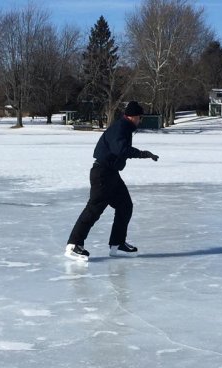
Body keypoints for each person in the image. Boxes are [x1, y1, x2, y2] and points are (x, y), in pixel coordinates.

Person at [65, 101, 159, 261]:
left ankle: (117, 244)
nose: (140, 121)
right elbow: (120, 149)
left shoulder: (125, 127)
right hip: (102, 173)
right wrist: (143, 154)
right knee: (94, 209)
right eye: (140, 118)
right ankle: (73, 246)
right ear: (134, 116)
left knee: (125, 206)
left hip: (111, 174)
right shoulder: (121, 128)